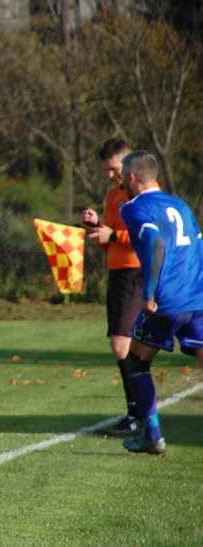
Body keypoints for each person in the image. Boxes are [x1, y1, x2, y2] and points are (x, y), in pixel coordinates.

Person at [117, 150, 203, 455]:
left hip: (167, 300)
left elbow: (155, 243)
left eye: (120, 177)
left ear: (131, 177)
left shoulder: (134, 207)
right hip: (197, 297)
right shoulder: (180, 204)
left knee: (136, 362)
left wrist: (150, 293)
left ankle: (152, 434)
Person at [81, 139, 142, 436]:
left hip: (135, 272)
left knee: (121, 343)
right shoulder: (112, 195)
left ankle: (136, 413)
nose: (109, 174)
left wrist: (114, 236)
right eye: (106, 170)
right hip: (119, 273)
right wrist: (94, 228)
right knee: (131, 345)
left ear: (128, 163)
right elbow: (110, 238)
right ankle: (140, 411)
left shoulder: (140, 194)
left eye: (113, 168)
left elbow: (145, 235)